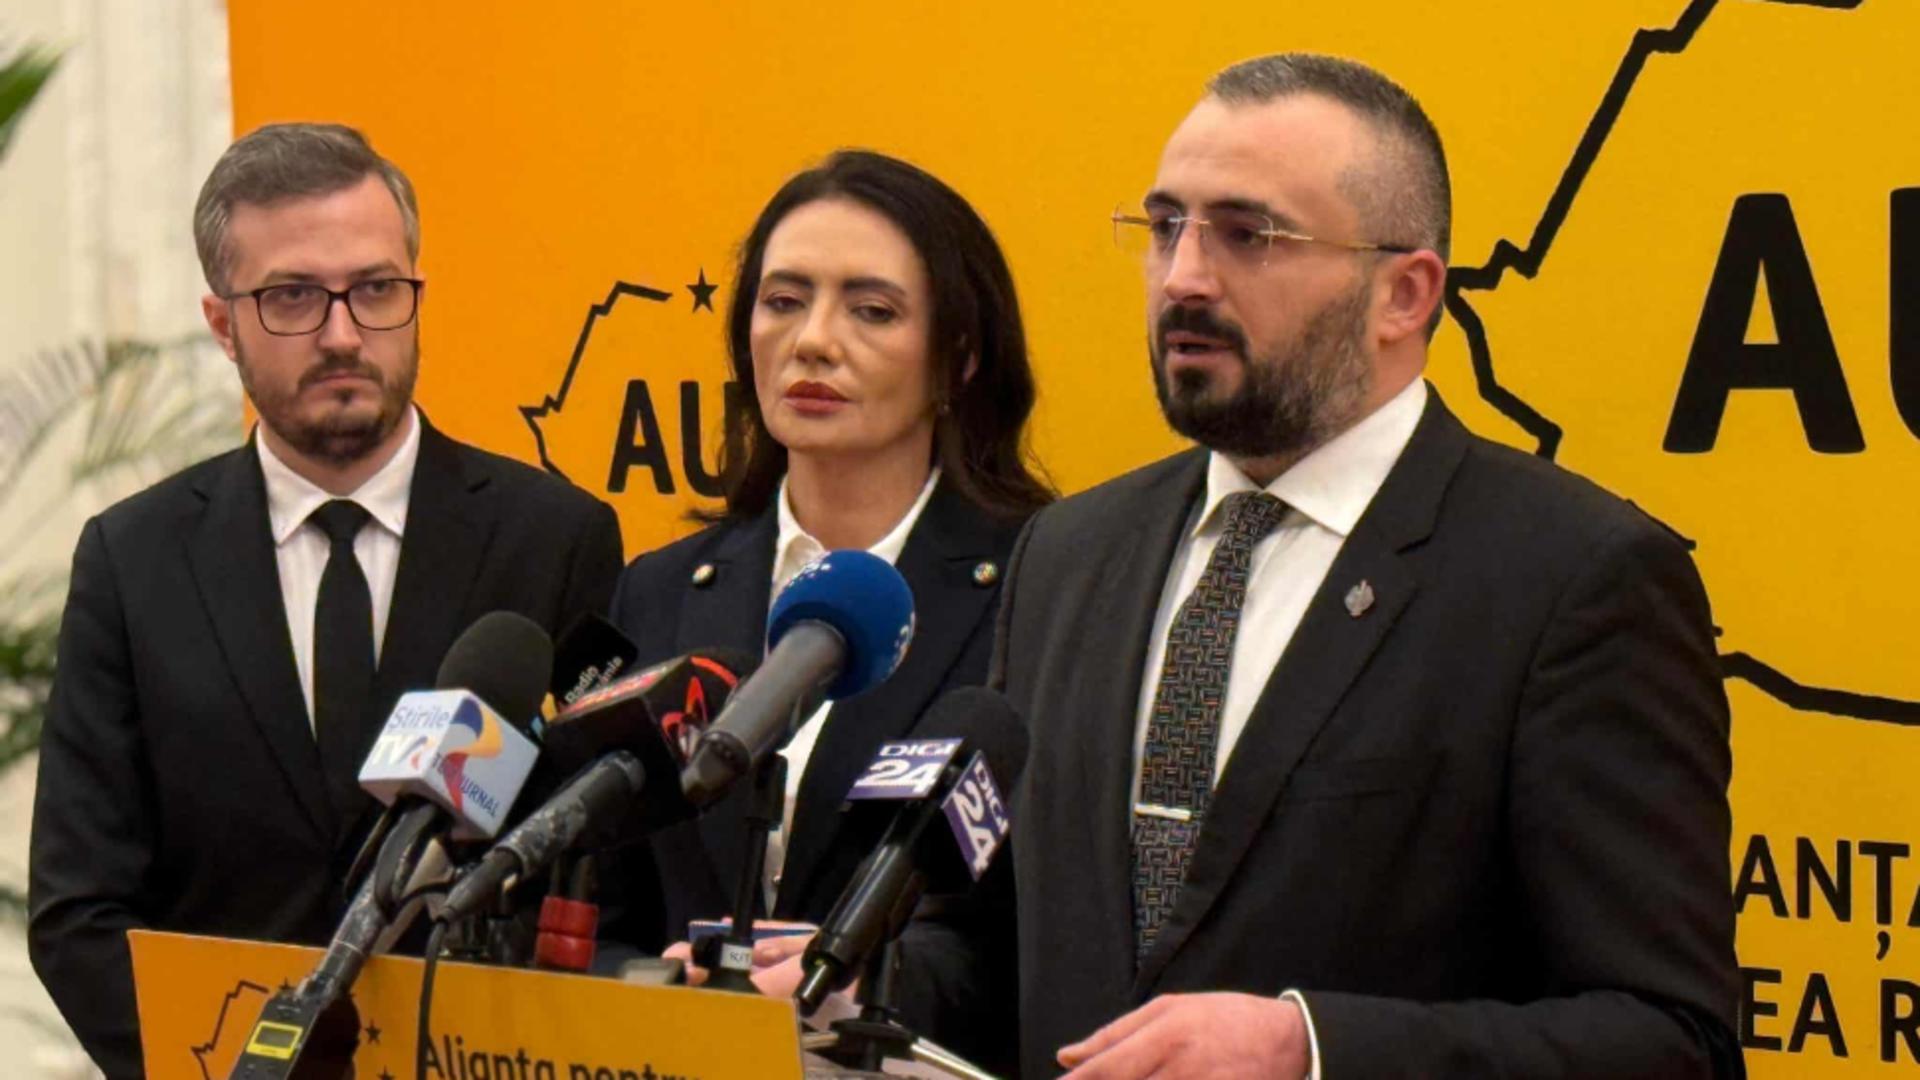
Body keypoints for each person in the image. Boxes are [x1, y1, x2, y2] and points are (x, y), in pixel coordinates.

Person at [979, 54, 1740, 1077]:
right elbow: (997, 942)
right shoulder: (1068, 554)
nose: (1185, 277)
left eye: (1248, 235)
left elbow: (1670, 1041)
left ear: (1404, 295)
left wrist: (1312, 1050)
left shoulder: (1576, 583)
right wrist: (856, 987)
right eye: (1165, 227)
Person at [28, 123, 624, 1079]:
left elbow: (602, 874)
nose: (343, 334)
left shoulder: (554, 539)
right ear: (223, 324)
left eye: (376, 289)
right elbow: (79, 912)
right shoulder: (133, 560)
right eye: (293, 297)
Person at [605, 150, 1051, 980]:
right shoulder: (659, 590)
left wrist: (862, 987)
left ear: (959, 356)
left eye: (872, 311)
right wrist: (653, 982)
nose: (812, 342)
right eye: (783, 302)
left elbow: (1036, 927)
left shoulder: (1043, 590)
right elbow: (592, 910)